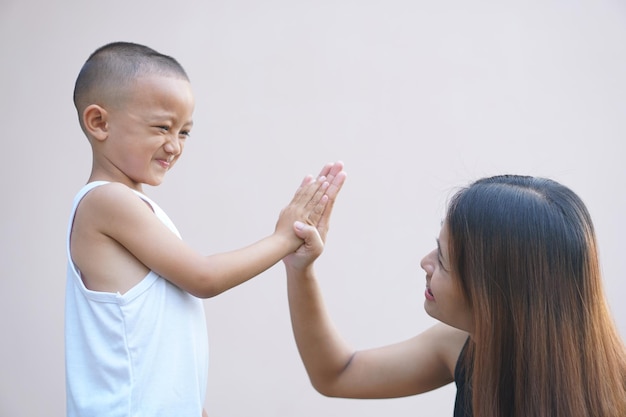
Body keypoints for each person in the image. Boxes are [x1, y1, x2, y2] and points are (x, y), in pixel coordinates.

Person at [65, 41, 346, 417]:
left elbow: (163, 335)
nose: (174, 146)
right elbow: (204, 277)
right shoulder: (106, 203)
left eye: (184, 132)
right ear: (99, 122)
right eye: (163, 127)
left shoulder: (135, 207)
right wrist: (284, 238)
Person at [284, 174, 626, 417]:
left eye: (443, 260)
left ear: (492, 292)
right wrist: (301, 268)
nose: (425, 263)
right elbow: (337, 374)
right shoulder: (463, 343)